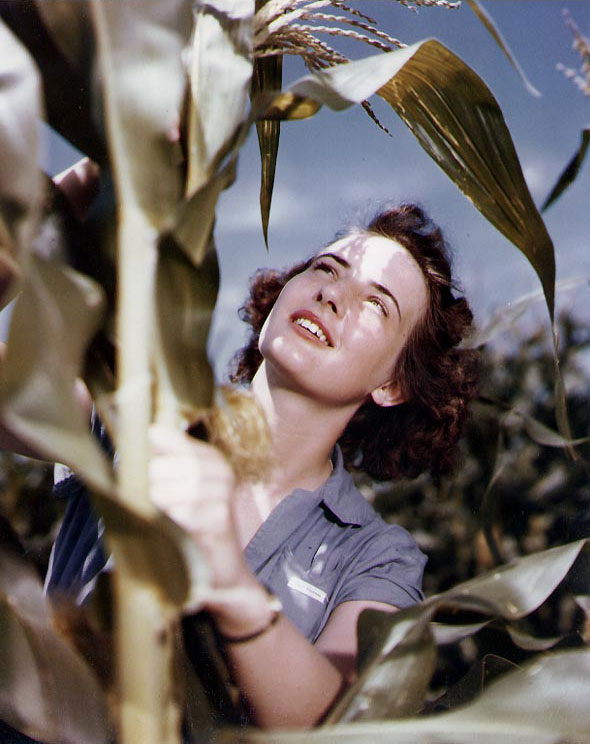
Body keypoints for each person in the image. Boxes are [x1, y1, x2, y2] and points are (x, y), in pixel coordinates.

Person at [1, 201, 479, 730]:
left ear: (392, 384)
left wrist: (231, 586)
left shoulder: (377, 558)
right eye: (326, 268)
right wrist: (15, 232)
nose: (332, 295)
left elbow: (341, 720)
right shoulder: (145, 405)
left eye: (376, 303)